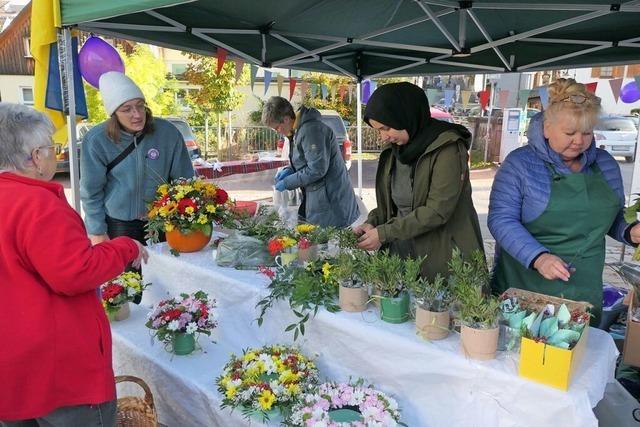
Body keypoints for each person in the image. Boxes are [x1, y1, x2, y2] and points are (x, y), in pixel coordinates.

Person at [0, 103, 148, 426]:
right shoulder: (37, 204)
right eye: (52, 148)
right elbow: (75, 272)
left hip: (12, 369)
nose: (56, 155)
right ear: (36, 158)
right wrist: (125, 247)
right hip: (59, 373)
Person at [488, 78, 640, 326]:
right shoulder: (519, 164)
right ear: (547, 128)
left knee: (576, 354)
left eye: (587, 132)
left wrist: (629, 231)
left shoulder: (605, 164)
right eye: (570, 133)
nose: (579, 141)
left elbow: (610, 218)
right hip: (525, 283)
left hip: (583, 286)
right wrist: (539, 258)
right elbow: (501, 219)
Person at [354, 82, 484, 280]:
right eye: (378, 130)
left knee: (438, 310)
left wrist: (385, 233)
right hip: (403, 257)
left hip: (445, 259)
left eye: (386, 128)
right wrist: (372, 223)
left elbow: (437, 211)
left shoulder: (447, 148)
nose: (383, 138)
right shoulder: (394, 151)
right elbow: (391, 205)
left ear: (405, 115)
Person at [81, 71, 195, 246]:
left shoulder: (168, 133)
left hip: (163, 222)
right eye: (127, 109)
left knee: (164, 273)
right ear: (114, 113)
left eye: (140, 106)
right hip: (120, 226)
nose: (137, 114)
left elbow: (185, 181)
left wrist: (184, 219)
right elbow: (91, 192)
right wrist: (97, 231)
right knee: (127, 274)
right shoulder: (97, 140)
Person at [262, 96, 359, 228]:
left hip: (331, 199)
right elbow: (306, 160)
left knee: (328, 243)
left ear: (286, 119)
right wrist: (291, 170)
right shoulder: (298, 130)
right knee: (314, 239)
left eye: (277, 128)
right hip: (320, 195)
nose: (278, 132)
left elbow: (317, 169)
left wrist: (287, 182)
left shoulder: (310, 130)